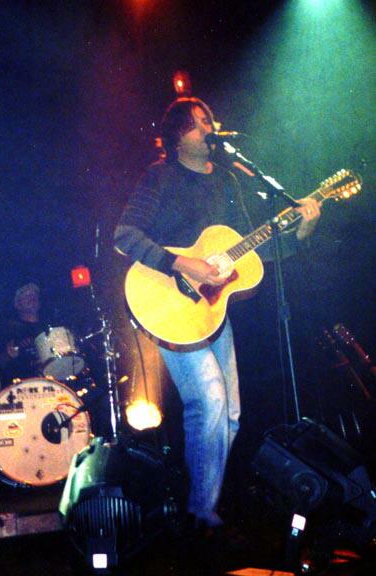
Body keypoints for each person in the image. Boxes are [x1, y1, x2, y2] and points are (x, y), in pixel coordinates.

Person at [114, 97, 321, 532]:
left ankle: (200, 503)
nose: (209, 129)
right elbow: (125, 235)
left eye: (210, 120)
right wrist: (183, 263)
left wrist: (300, 232)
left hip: (210, 313)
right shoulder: (160, 176)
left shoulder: (228, 180)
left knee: (230, 415)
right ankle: (200, 514)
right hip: (167, 302)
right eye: (199, 124)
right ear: (178, 137)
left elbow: (253, 251)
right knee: (209, 398)